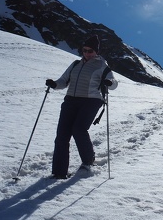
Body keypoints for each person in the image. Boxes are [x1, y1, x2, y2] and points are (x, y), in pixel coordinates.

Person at [45, 35, 118, 178]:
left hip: (91, 101)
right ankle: (59, 173)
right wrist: (54, 84)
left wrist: (109, 83)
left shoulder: (102, 66)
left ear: (96, 51)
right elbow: (63, 81)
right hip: (70, 100)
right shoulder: (75, 64)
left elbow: (114, 82)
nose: (87, 53)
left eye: (90, 51)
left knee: (79, 129)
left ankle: (88, 160)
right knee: (62, 135)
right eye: (84, 50)